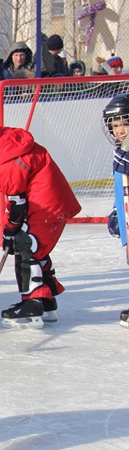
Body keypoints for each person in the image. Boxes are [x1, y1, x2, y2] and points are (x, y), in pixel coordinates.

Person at [0, 120, 80, 328]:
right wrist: (10, 229)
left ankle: (32, 303)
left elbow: (17, 205)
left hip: (46, 206)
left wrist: (10, 231)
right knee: (35, 249)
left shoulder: (7, 165)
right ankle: (47, 301)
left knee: (26, 246)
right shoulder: (11, 145)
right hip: (51, 202)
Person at [102, 94, 129, 327]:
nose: (120, 130)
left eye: (125, 124)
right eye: (116, 125)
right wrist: (117, 210)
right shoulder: (121, 150)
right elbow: (122, 186)